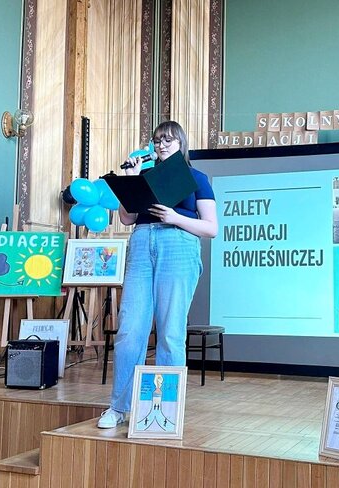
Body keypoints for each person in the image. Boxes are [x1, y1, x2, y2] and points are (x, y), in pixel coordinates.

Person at [98, 121, 218, 428]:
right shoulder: (145, 175)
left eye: (168, 140)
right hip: (141, 243)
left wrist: (175, 217)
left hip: (177, 244)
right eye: (157, 141)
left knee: (170, 332)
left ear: (181, 143)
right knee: (130, 329)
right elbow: (127, 219)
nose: (161, 145)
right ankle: (119, 407)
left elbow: (211, 228)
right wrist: (131, 179)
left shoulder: (195, 177)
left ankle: (166, 410)